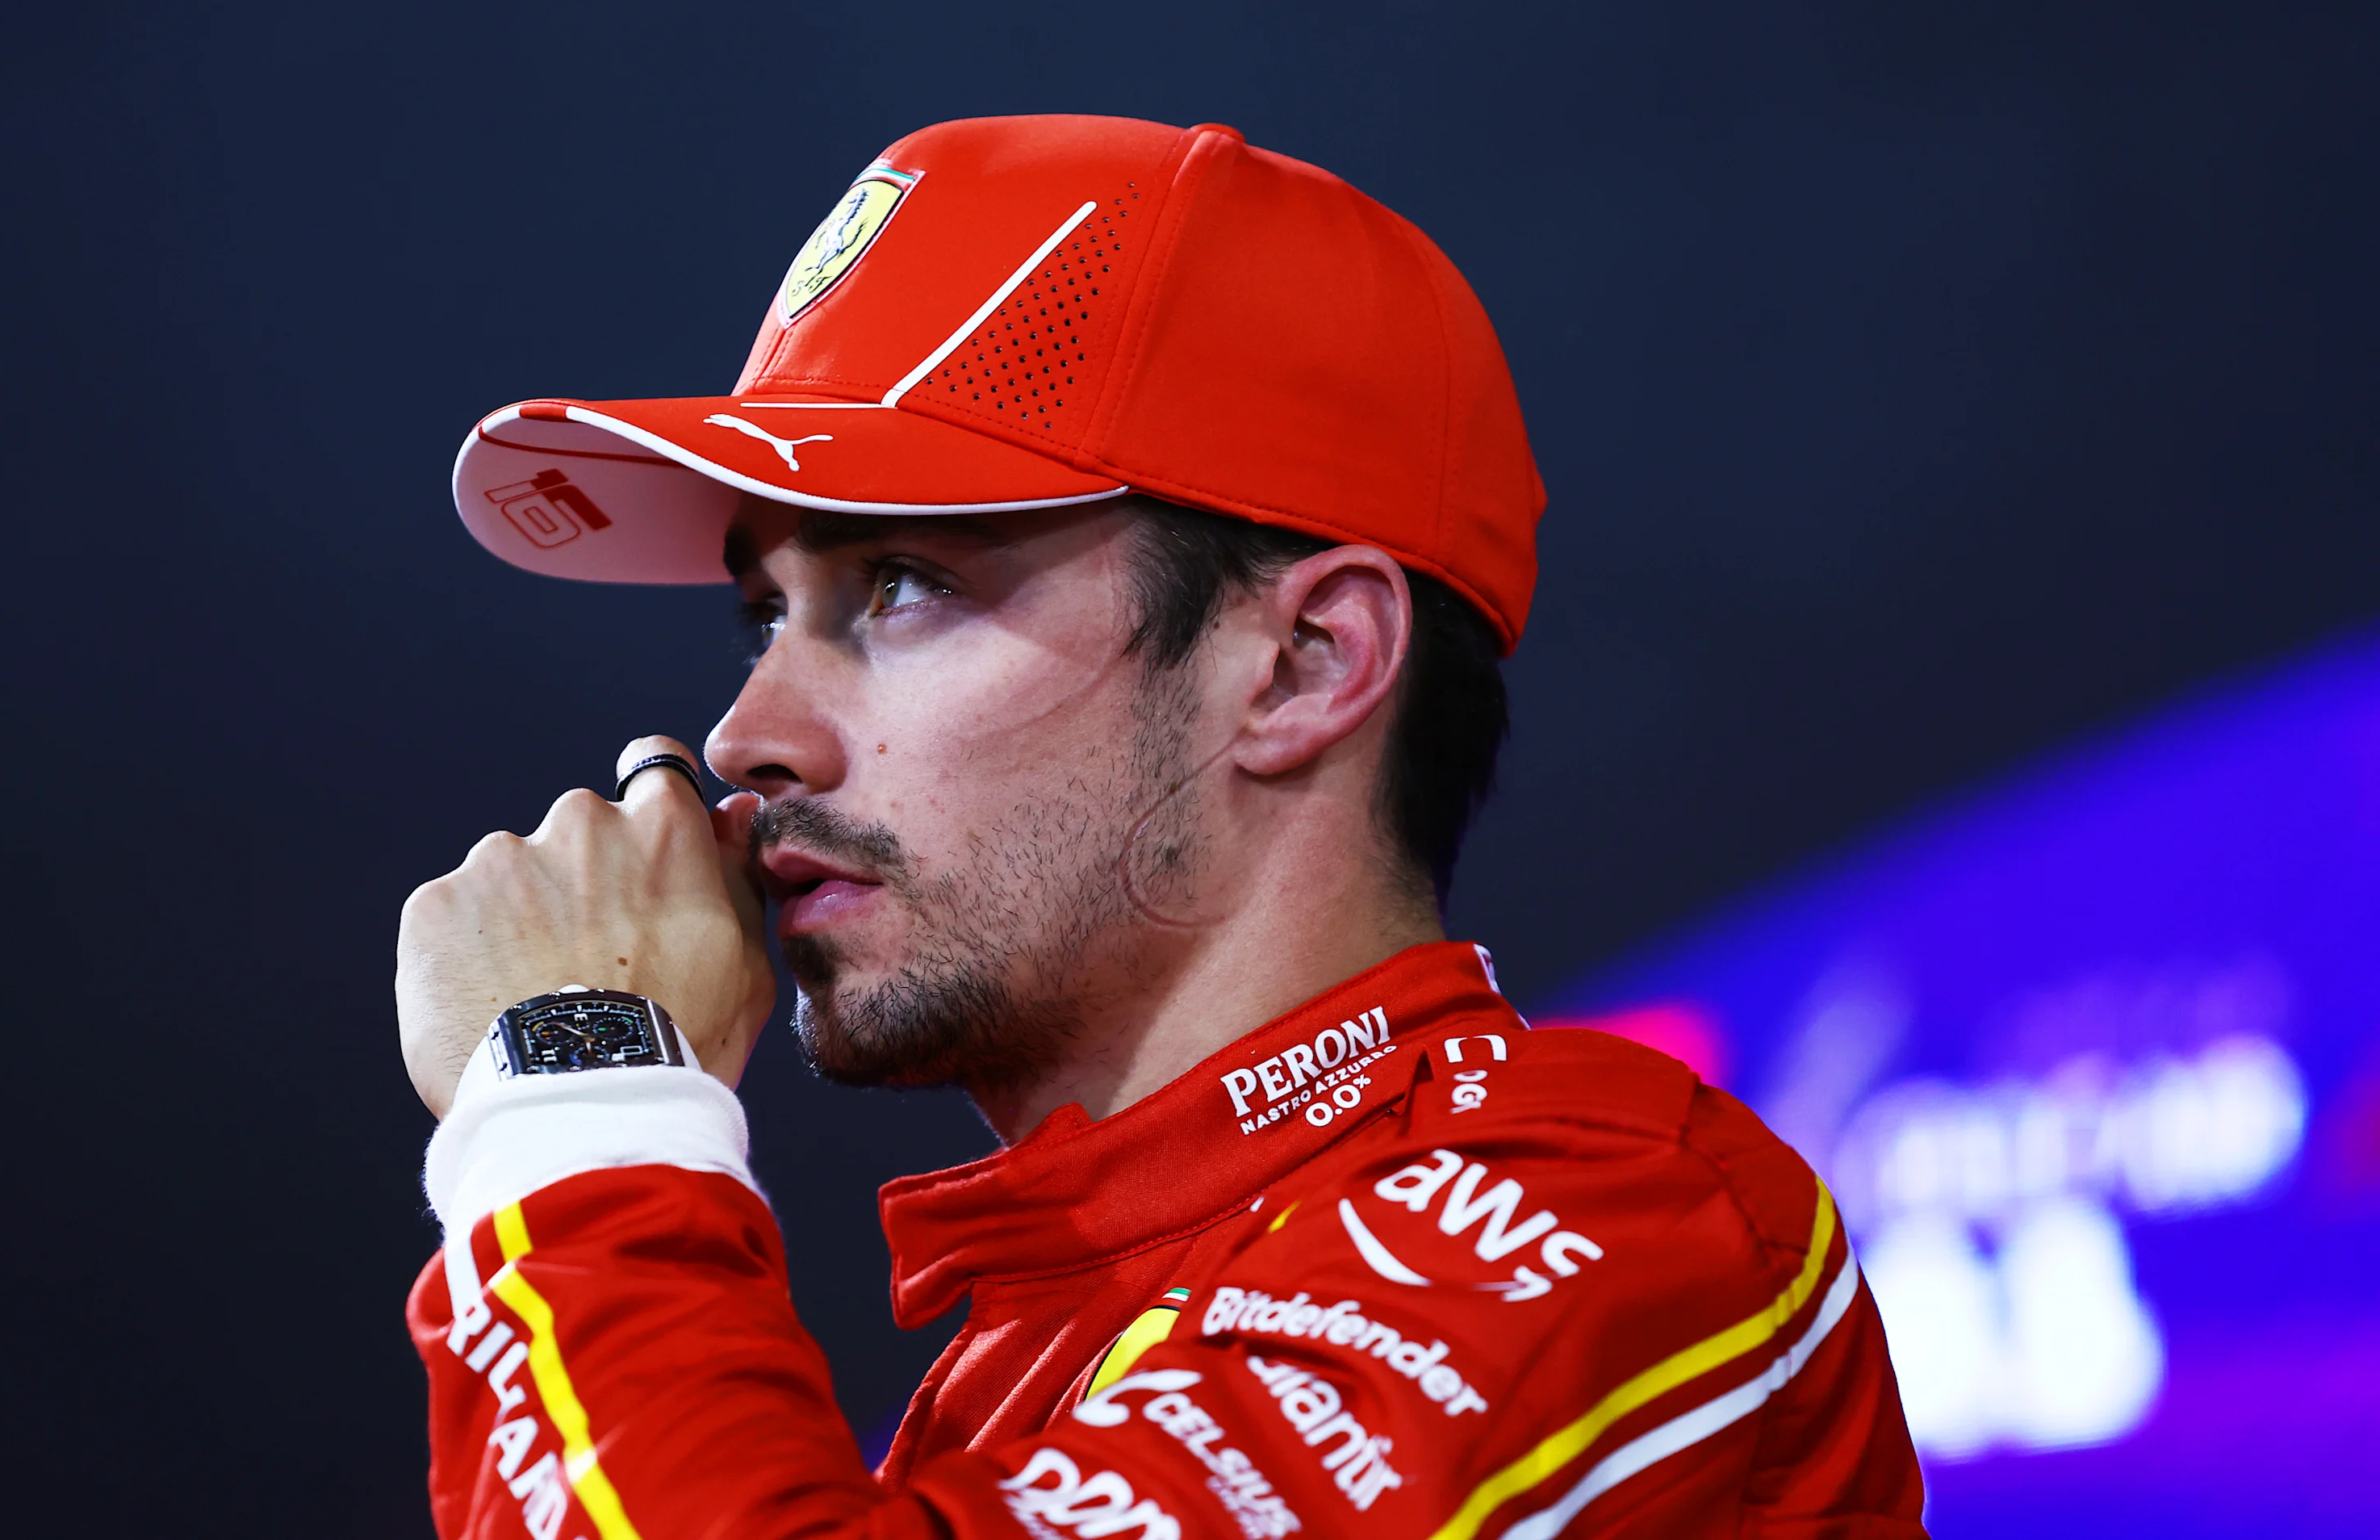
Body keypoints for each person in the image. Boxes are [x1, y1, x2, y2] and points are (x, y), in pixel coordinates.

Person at [396, 115, 1926, 1540]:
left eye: (903, 588)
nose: (746, 737)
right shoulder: (1030, 1353)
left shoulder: (1612, 1209)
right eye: (762, 618)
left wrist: (580, 1097)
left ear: (1303, 666)